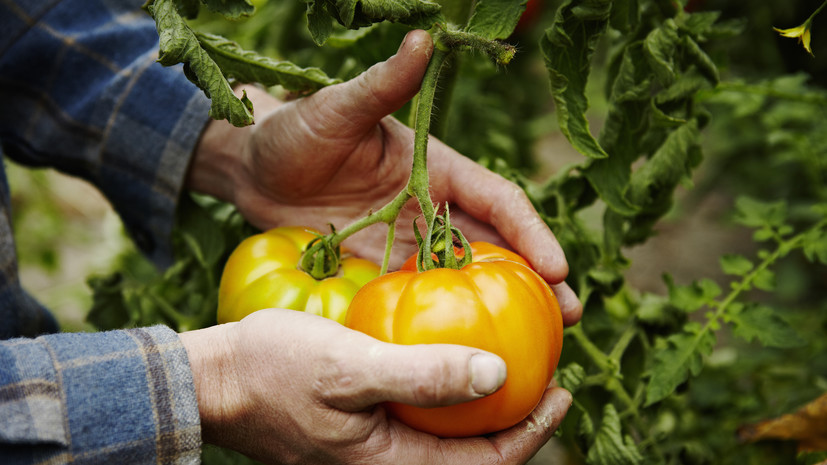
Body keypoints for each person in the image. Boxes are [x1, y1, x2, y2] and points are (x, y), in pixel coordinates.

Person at [0, 1, 582, 464]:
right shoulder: (385, 297)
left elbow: (25, 24)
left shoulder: (376, 298)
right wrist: (215, 385)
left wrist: (242, 152)